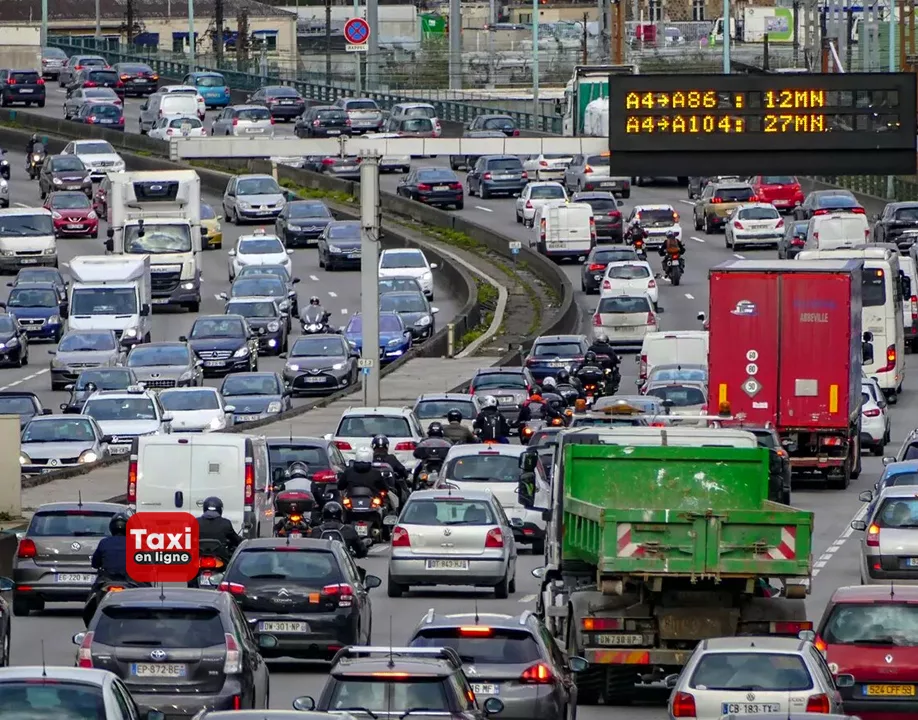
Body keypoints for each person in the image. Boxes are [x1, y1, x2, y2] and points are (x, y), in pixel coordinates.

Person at [197, 496, 242, 561]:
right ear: (220, 509)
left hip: (198, 556)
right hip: (221, 556)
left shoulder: (195, 522)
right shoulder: (226, 523)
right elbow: (235, 539)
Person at [90, 512, 130, 581]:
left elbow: (95, 563)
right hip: (130, 581)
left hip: (107, 580)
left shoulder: (104, 542)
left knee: (95, 590)